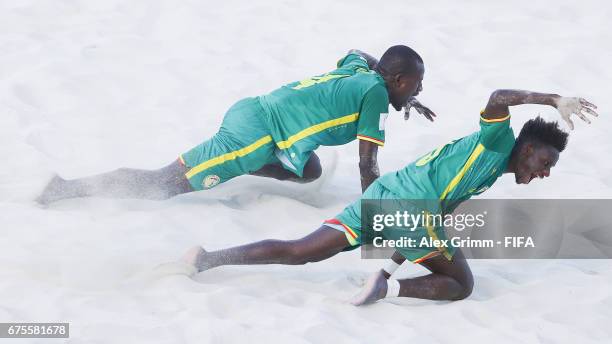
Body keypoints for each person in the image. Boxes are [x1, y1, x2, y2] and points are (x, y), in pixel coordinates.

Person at [179, 89, 598, 305]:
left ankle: (206, 259)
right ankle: (386, 291)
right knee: (461, 284)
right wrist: (552, 100)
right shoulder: (496, 142)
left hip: (386, 197)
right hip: (408, 209)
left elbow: (432, 221)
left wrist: (394, 261)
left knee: (301, 250)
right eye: (544, 162)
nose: (543, 173)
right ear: (525, 148)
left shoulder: (483, 172)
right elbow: (497, 98)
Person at [36, 45, 435, 204]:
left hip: (259, 114)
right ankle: (65, 189)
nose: (417, 90)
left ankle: (239, 166)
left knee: (307, 170)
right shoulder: (377, 96)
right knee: (164, 185)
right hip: (256, 133)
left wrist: (406, 96)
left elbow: (357, 53)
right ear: (396, 80)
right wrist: (375, 215)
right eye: (414, 84)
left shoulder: (364, 73)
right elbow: (368, 165)